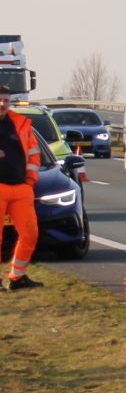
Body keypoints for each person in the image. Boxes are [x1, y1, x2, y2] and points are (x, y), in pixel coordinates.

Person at [0, 93, 42, 291]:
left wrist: (29, 181)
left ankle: (17, 277)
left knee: (30, 233)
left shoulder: (21, 123)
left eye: (6, 100)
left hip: (21, 188)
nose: (2, 104)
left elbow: (34, 153)